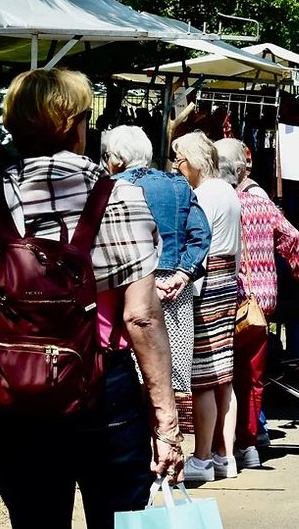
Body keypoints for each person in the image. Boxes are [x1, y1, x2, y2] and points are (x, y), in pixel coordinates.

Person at [0, 69, 181, 528]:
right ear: (73, 126)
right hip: (104, 391)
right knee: (117, 520)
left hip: (18, 393)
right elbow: (141, 318)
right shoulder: (118, 197)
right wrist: (166, 424)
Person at [102, 125, 212, 435]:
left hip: (127, 288)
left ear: (119, 159)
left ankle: (134, 446)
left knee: (130, 372)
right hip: (175, 289)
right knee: (169, 375)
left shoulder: (109, 188)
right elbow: (201, 234)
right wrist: (183, 273)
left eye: (108, 156)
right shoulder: (178, 185)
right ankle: (165, 448)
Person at [214, 139, 299, 469]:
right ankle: (249, 446)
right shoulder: (262, 206)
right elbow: (294, 238)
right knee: (252, 377)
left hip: (221, 299)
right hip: (260, 304)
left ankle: (221, 448)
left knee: (218, 376)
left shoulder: (210, 204)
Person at [172, 131, 242, 482]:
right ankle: (224, 456)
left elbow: (197, 245)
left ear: (195, 161)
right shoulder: (229, 191)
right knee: (223, 375)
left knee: (202, 376)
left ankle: (201, 458)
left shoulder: (202, 195)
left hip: (206, 286)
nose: (175, 166)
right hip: (227, 282)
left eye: (179, 160)